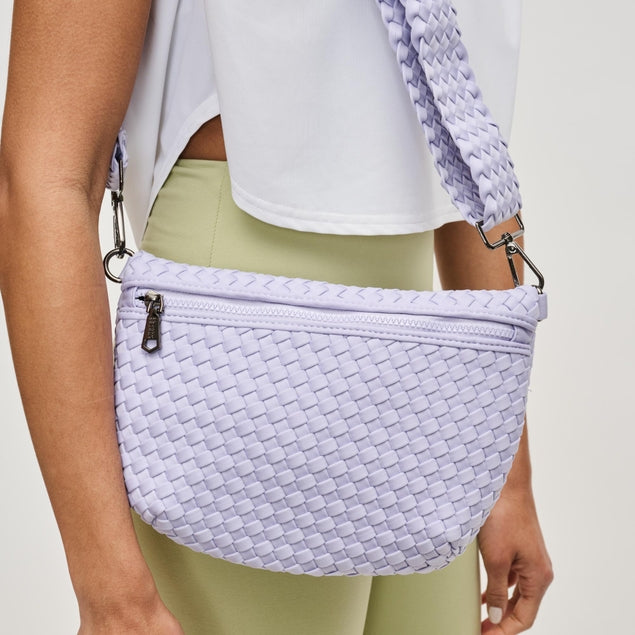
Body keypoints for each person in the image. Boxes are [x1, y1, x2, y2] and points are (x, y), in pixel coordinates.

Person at [0, 1, 553, 633]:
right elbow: (44, 171)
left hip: (422, 385)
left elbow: (459, 118)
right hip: (242, 325)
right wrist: (110, 592)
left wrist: (505, 471)